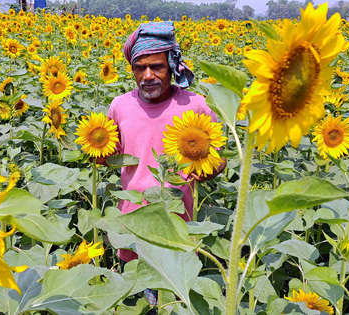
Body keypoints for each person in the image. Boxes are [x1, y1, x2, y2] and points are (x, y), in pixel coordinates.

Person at [104, 21, 226, 311]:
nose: (147, 75)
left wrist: (208, 168)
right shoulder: (120, 106)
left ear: (172, 65)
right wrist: (99, 152)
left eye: (156, 66)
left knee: (175, 303)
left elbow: (219, 158)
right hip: (133, 223)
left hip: (179, 228)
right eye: (139, 68)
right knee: (139, 303)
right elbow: (114, 151)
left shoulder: (196, 105)